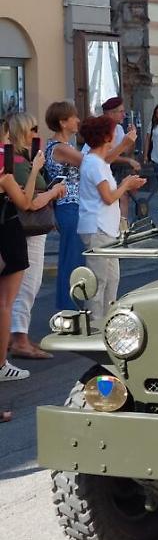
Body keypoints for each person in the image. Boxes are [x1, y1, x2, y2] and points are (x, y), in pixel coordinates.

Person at [77, 116, 146, 330]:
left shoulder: (95, 160)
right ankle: (96, 326)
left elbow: (106, 159)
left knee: (111, 279)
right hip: (98, 227)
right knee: (99, 282)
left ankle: (106, 323)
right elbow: (108, 197)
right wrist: (126, 184)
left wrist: (125, 144)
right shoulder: (94, 164)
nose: (115, 133)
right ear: (106, 136)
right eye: (113, 131)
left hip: (105, 227)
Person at [7, 113, 67, 360]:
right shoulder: (20, 163)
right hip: (28, 230)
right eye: (32, 129)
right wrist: (53, 191)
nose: (36, 133)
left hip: (29, 230)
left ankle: (17, 335)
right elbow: (29, 202)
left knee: (25, 285)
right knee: (28, 285)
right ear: (22, 132)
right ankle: (19, 337)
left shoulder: (24, 160)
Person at [0, 146, 49, 388]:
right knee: (5, 304)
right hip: (7, 237)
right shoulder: (5, 175)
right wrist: (35, 171)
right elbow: (27, 203)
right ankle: (1, 365)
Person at [45, 101, 84, 311]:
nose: (77, 120)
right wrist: (122, 146)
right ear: (63, 122)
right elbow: (92, 164)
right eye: (73, 117)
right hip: (69, 206)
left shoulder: (60, 146)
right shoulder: (61, 148)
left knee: (74, 258)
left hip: (70, 206)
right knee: (72, 259)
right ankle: (70, 309)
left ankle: (71, 307)